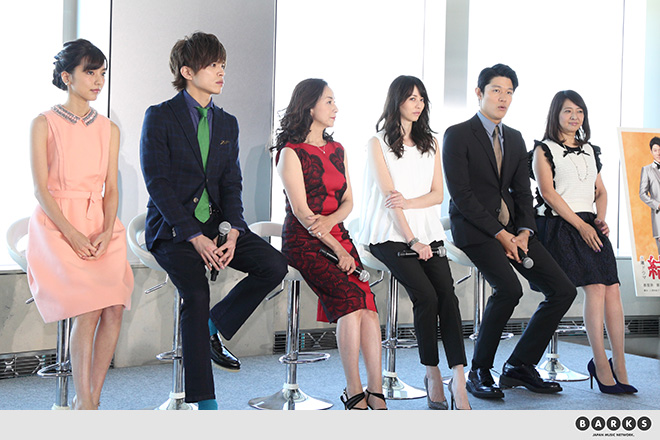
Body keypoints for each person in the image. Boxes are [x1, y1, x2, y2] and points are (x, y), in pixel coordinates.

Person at [139, 32, 287, 410]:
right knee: (196, 294)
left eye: (223, 64)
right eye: (212, 65)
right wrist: (192, 234)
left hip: (217, 224)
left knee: (273, 265)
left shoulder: (227, 123)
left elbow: (231, 183)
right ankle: (205, 404)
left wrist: (235, 229)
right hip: (173, 229)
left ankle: (213, 326)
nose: (221, 71)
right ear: (187, 72)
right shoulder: (160, 116)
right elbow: (157, 183)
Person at [442, 64, 577, 400]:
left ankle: (519, 365)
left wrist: (525, 231)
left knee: (563, 290)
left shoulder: (515, 138)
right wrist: (501, 235)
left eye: (509, 92)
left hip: (515, 229)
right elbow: (462, 196)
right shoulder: (457, 134)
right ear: (479, 93)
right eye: (496, 91)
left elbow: (522, 192)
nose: (503, 98)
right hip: (474, 228)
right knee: (508, 289)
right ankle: (479, 370)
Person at [26, 39, 134, 410]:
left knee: (114, 308)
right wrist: (72, 235)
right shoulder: (43, 123)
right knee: (88, 309)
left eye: (102, 73)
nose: (98, 80)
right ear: (66, 77)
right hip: (57, 227)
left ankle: (89, 402)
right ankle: (86, 407)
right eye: (90, 72)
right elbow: (41, 190)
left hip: (101, 225)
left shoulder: (108, 129)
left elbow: (112, 189)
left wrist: (106, 230)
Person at [273, 78, 387, 410]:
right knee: (350, 301)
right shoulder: (290, 153)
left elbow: (349, 201)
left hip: (337, 233)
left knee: (368, 304)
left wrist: (333, 226)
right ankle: (354, 390)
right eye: (329, 101)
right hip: (303, 241)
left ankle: (376, 390)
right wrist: (337, 249)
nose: (336, 107)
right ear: (309, 106)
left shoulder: (338, 150)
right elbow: (302, 213)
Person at [358, 75, 470, 410]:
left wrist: (410, 205)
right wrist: (412, 239)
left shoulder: (431, 142)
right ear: (397, 101)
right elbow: (389, 199)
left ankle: (459, 380)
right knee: (426, 296)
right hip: (388, 234)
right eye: (411, 98)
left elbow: (437, 195)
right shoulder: (377, 143)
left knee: (447, 295)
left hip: (427, 231)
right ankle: (432, 373)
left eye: (421, 98)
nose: (418, 104)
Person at [531, 90, 636, 394]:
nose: (574, 116)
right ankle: (601, 364)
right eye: (568, 111)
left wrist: (599, 219)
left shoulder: (590, 150)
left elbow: (600, 191)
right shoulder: (543, 150)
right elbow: (548, 194)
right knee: (596, 287)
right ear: (556, 114)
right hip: (560, 226)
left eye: (579, 111)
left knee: (613, 288)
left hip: (590, 224)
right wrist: (581, 226)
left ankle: (620, 363)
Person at [639, 136, 660, 257]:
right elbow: (642, 193)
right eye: (656, 150)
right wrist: (657, 205)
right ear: (651, 152)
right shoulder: (647, 170)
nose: (658, 153)